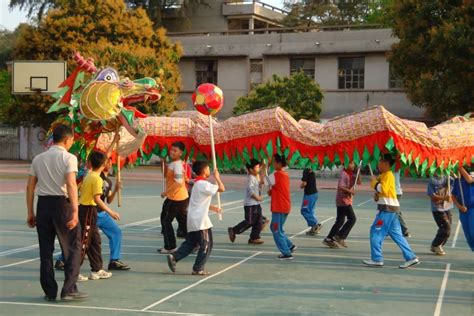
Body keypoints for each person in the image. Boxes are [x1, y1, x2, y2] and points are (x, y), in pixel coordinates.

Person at [26, 124, 87, 301]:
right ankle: (69, 288)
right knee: (73, 247)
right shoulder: (69, 158)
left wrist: (30, 211)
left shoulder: (38, 158)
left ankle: (49, 290)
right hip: (62, 205)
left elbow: (30, 186)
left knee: (45, 251)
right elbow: (71, 184)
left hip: (43, 205)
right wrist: (75, 211)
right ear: (67, 140)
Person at [166, 161, 225, 275]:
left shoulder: (198, 184)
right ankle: (198, 268)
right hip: (200, 220)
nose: (209, 170)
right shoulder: (203, 184)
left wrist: (214, 208)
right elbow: (222, 188)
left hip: (194, 218)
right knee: (206, 244)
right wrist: (217, 177)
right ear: (203, 171)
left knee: (191, 243)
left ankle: (174, 257)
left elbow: (199, 202)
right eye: (208, 168)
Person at [363, 154, 420, 269]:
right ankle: (411, 257)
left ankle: (377, 258)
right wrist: (376, 193)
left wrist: (374, 183)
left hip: (387, 209)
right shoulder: (383, 175)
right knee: (396, 234)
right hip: (390, 208)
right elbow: (384, 191)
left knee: (376, 231)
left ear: (387, 164)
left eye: (380, 162)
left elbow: (382, 188)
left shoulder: (388, 175)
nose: (378, 164)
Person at [76, 151, 113, 280]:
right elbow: (97, 199)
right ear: (104, 164)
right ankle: (73, 271)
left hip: (90, 211)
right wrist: (111, 212)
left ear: (90, 163)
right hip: (87, 211)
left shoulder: (89, 174)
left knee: (95, 241)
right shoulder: (96, 179)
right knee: (83, 242)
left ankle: (97, 269)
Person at [159, 142, 189, 254]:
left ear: (181, 153)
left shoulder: (177, 165)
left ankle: (170, 246)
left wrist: (166, 193)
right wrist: (163, 163)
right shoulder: (174, 164)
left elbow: (178, 182)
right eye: (171, 150)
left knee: (166, 221)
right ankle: (194, 242)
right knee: (183, 222)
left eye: (175, 150)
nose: (172, 152)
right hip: (181, 197)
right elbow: (166, 175)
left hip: (175, 198)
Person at [323, 161, 360, 248]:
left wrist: (359, 171)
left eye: (353, 163)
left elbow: (358, 181)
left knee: (340, 221)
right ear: (346, 164)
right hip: (343, 200)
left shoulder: (351, 173)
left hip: (345, 200)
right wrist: (350, 191)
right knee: (352, 219)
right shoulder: (344, 173)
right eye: (351, 163)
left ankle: (329, 238)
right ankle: (340, 236)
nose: (353, 165)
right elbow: (341, 186)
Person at [228, 159, 265, 244]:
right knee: (250, 221)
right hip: (250, 204)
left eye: (259, 167)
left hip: (256, 204)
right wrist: (257, 198)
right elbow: (250, 191)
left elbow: (260, 184)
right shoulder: (250, 178)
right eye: (256, 167)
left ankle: (254, 237)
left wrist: (263, 171)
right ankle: (234, 230)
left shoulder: (255, 177)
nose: (258, 168)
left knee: (258, 221)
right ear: (251, 169)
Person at [266, 154, 295, 260]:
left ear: (278, 163)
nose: (273, 163)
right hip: (284, 206)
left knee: (276, 229)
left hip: (279, 206)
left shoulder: (278, 174)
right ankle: (289, 245)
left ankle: (286, 253)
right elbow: (275, 187)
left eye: (274, 162)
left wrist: (265, 167)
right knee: (276, 228)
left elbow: (265, 181)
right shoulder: (284, 174)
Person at [427, 173, 453, 255]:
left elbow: (456, 182)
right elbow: (432, 197)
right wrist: (444, 198)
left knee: (447, 229)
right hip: (437, 209)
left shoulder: (447, 177)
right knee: (446, 228)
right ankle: (436, 245)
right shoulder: (432, 181)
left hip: (447, 207)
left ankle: (437, 245)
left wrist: (455, 174)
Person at [452, 166, 474, 251]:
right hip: (463, 211)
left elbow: (470, 180)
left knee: (473, 233)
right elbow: (453, 196)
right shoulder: (458, 181)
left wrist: (460, 167)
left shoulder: (471, 176)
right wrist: (459, 206)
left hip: (473, 208)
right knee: (469, 236)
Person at [299, 168, 322, 236]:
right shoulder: (311, 170)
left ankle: (315, 225)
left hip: (309, 195)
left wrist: (301, 186)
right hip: (314, 194)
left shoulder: (306, 170)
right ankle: (314, 229)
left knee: (304, 211)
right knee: (311, 211)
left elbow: (304, 183)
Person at [395, 170, 411, 237]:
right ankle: (388, 230)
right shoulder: (394, 168)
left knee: (396, 212)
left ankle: (404, 230)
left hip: (395, 192)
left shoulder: (392, 169)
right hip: (394, 192)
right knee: (390, 212)